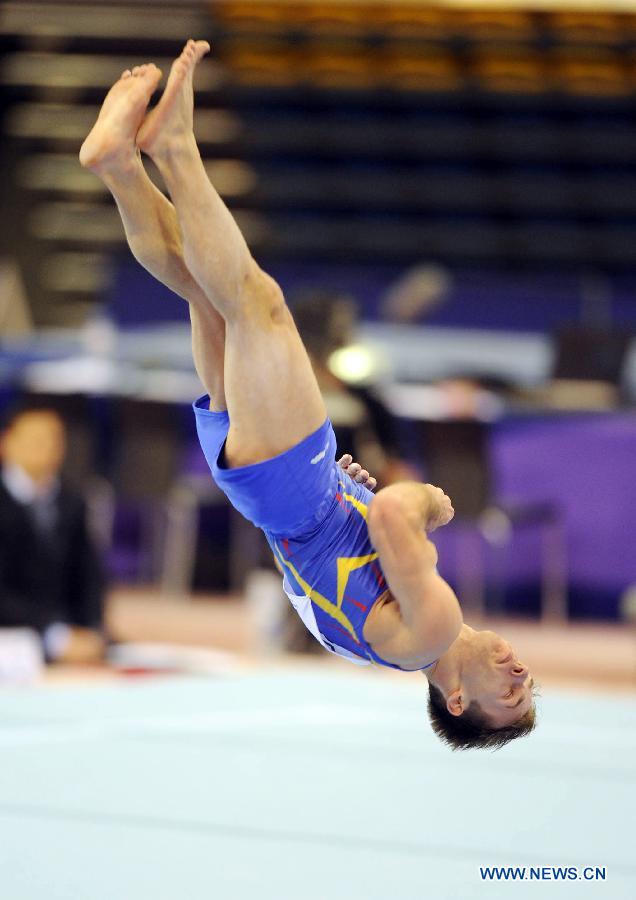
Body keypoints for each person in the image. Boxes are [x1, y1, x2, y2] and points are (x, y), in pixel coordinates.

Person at [79, 41, 536, 750]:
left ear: (454, 698)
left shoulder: (436, 629)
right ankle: (118, 168)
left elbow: (391, 511)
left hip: (296, 490)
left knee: (259, 303)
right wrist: (348, 500)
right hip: (284, 498)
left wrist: (428, 502)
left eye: (507, 697)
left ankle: (174, 148)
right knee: (207, 294)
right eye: (529, 683)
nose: (519, 673)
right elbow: (323, 574)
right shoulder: (383, 644)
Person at [0, 406, 106, 663]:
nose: (45, 448)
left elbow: (89, 574)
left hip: (66, 628)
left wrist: (91, 627)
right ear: (7, 443)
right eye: (35, 440)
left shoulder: (72, 502)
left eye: (54, 440)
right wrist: (51, 634)